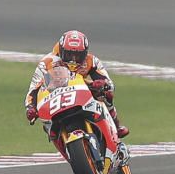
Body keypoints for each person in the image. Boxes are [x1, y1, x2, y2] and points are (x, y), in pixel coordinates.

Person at [24, 30, 130, 160]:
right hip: (57, 94)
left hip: (84, 89)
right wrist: (30, 107)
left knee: (106, 94)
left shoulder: (92, 60)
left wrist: (102, 84)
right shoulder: (47, 62)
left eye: (78, 56)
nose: (73, 60)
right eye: (69, 55)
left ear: (85, 53)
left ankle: (116, 125)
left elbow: (109, 83)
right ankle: (68, 152)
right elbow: (33, 89)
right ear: (61, 51)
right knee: (46, 124)